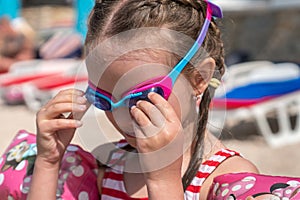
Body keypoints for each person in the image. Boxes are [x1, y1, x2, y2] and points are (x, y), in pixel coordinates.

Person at [27, 0, 259, 199]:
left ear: (199, 78)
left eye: (140, 97)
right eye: (101, 99)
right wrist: (49, 162)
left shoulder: (225, 180)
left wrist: (163, 183)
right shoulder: (109, 166)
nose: (121, 117)